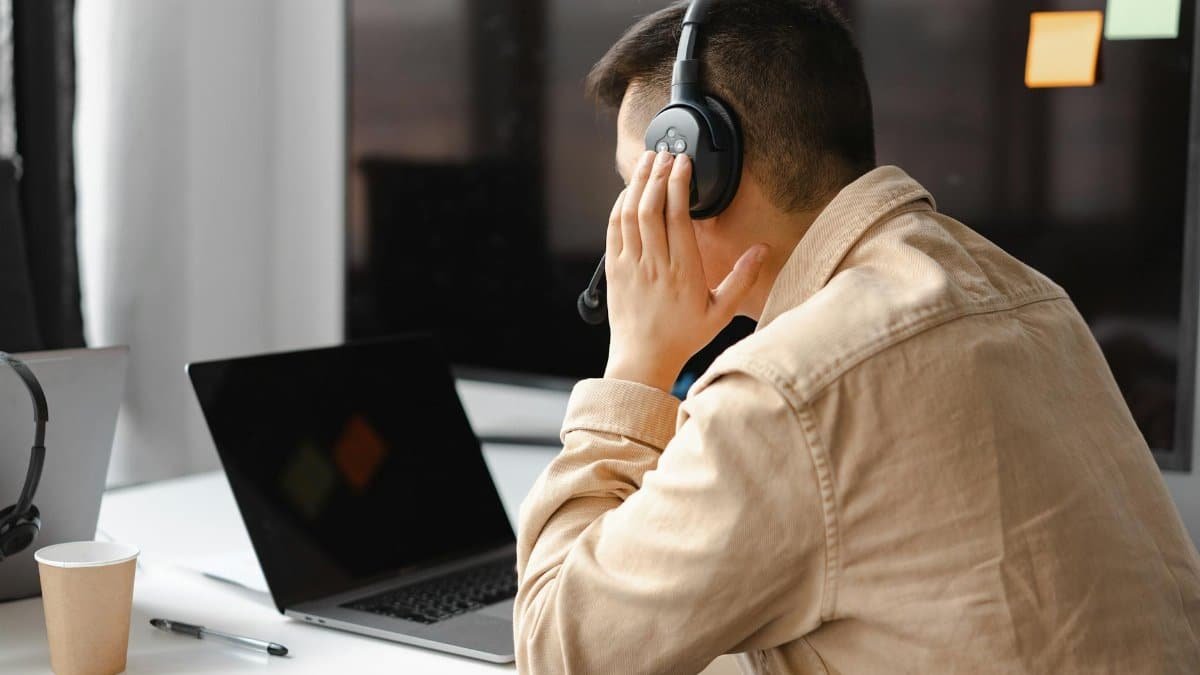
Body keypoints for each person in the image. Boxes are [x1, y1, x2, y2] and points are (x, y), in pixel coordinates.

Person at [513, 1, 1200, 673]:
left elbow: (555, 649)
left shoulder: (786, 393)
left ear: (701, 179)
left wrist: (635, 367)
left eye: (639, 188)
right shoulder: (1031, 296)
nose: (628, 225)